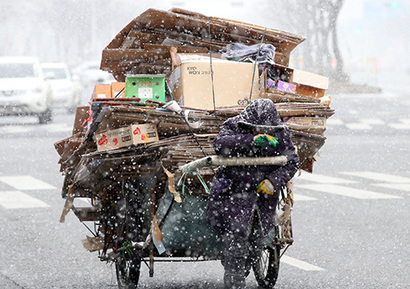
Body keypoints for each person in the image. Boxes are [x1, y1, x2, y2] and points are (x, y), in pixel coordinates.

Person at [206, 98, 299, 289]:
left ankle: (245, 266)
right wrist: (250, 140)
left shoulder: (281, 133)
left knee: (258, 240)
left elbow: (291, 162)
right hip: (233, 189)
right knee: (237, 234)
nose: (262, 132)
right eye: (256, 129)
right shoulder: (233, 125)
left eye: (266, 130)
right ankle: (234, 279)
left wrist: (273, 181)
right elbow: (219, 145)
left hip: (264, 194)